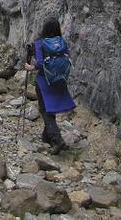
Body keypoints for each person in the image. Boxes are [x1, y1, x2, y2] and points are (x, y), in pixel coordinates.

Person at [25, 18, 76, 154]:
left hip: (44, 81)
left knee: (45, 110)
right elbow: (68, 57)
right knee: (50, 108)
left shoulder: (40, 43)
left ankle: (57, 140)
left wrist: (31, 67)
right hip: (59, 80)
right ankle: (46, 136)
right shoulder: (62, 42)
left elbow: (40, 63)